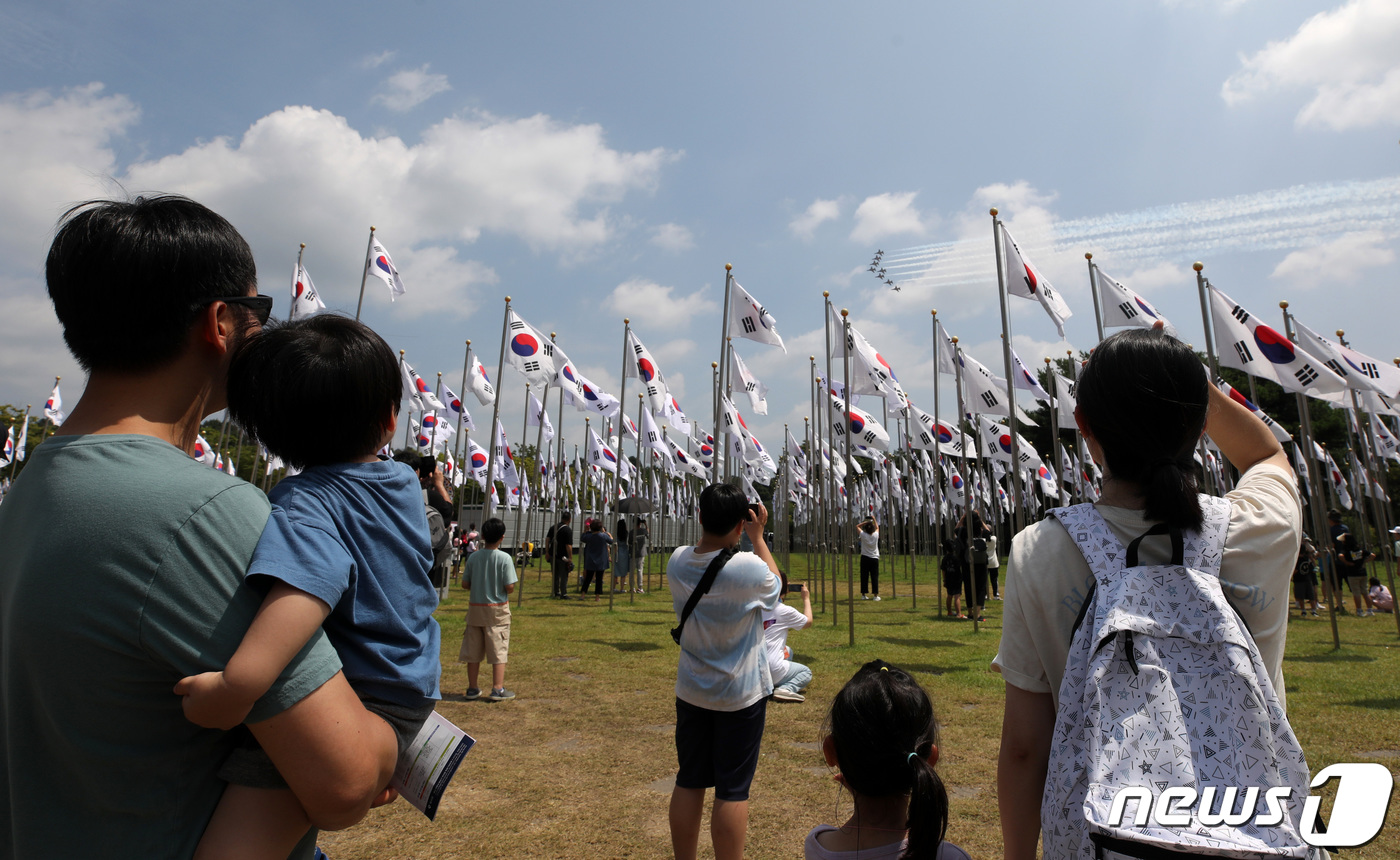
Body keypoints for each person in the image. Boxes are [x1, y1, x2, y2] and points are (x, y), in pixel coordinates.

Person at [0, 196, 390, 858]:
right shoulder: (200, 511)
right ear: (219, 323)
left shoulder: (31, 490)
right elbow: (345, 778)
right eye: (258, 314)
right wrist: (387, 736)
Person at [994, 328, 1301, 860]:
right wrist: (1188, 380)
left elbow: (1025, 749)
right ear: (1200, 422)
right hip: (1251, 831)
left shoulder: (1038, 550)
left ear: (1085, 427)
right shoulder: (1260, 528)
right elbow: (1266, 454)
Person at [176, 314, 442, 859]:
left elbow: (303, 594)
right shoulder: (400, 483)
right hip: (405, 690)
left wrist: (236, 687)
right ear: (390, 421)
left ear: (269, 431)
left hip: (357, 701)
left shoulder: (307, 503)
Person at [668, 484, 782, 860]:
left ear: (699, 517)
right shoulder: (747, 568)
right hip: (739, 694)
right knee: (732, 789)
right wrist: (758, 537)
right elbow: (775, 589)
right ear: (739, 523)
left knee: (689, 779)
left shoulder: (678, 560)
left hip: (692, 690)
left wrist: (740, 534)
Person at [804, 660, 969, 860]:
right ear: (930, 758)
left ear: (830, 752)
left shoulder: (818, 846)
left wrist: (861, 779)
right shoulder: (950, 856)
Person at [460, 517, 517, 701]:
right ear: (502, 537)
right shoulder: (505, 558)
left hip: (476, 609)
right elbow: (509, 586)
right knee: (498, 649)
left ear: (482, 536)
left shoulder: (474, 557)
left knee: (473, 650)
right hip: (497, 610)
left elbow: (465, 584)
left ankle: (472, 687)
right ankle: (497, 688)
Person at [764, 573, 814, 703]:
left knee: (788, 651)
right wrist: (806, 599)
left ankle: (770, 683)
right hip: (772, 667)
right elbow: (808, 622)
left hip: (752, 667)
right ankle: (785, 688)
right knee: (805, 672)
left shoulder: (753, 606)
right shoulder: (783, 610)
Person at [955, 511, 990, 622]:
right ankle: (977, 613)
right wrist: (979, 519)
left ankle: (970, 613)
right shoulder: (980, 531)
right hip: (981, 562)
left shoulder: (963, 531)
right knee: (980, 587)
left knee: (969, 587)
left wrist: (963, 518)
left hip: (967, 561)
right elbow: (989, 532)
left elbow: (956, 529)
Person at [1334, 529, 1376, 616]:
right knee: (1365, 591)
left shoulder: (1346, 550)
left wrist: (1346, 562)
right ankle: (1369, 610)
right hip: (1362, 572)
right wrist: (1364, 561)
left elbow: (1340, 555)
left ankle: (1359, 610)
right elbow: (1372, 555)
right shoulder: (1359, 549)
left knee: (1356, 593)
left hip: (1352, 573)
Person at [579, 519, 615, 599]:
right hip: (601, 561)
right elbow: (611, 541)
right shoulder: (603, 536)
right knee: (599, 579)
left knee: (588, 578)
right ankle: (597, 596)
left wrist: (585, 530)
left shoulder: (588, 536)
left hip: (591, 560)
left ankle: (583, 594)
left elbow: (582, 538)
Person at [1294, 534, 1321, 617]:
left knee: (1301, 596)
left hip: (1299, 580)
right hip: (1308, 579)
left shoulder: (1297, 561)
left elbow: (1296, 570)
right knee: (1311, 596)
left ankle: (1303, 611)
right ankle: (1313, 610)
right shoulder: (1307, 559)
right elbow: (1313, 566)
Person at [551, 510, 574, 599]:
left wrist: (548, 553)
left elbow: (548, 539)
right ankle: (563, 593)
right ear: (569, 519)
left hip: (553, 554)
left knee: (555, 575)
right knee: (564, 575)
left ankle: (556, 592)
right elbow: (568, 545)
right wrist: (570, 557)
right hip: (563, 556)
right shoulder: (567, 530)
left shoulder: (554, 527)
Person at [940, 537, 965, 619]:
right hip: (957, 578)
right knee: (957, 596)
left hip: (948, 578)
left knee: (949, 595)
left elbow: (943, 570)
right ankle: (958, 613)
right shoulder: (956, 557)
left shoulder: (945, 558)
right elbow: (960, 567)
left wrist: (944, 580)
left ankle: (949, 611)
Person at [858, 518, 881, 601]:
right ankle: (875, 595)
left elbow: (857, 526)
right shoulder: (875, 535)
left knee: (864, 577)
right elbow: (877, 527)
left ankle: (863, 595)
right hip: (874, 558)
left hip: (864, 557)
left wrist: (864, 522)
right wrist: (874, 519)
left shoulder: (863, 535)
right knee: (874, 577)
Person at [614, 517, 631, 593]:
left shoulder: (615, 533)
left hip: (617, 552)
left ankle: (614, 587)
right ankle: (621, 588)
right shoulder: (626, 533)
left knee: (616, 572)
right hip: (624, 552)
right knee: (623, 572)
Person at [986, 531, 1001, 600]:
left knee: (984, 580)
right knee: (994, 580)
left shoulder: (983, 541)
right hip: (993, 562)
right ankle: (996, 595)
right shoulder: (993, 539)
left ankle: (985, 595)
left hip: (985, 562)